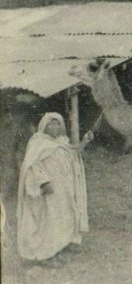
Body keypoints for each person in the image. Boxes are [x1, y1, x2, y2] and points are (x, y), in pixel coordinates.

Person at [16, 113, 93, 265]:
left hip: (64, 189)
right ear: (44, 126)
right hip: (49, 188)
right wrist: (43, 183)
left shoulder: (62, 142)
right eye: (51, 124)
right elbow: (31, 165)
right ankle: (46, 255)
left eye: (57, 124)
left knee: (63, 217)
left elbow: (74, 153)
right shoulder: (38, 143)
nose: (55, 127)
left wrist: (85, 141)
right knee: (49, 220)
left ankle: (61, 246)